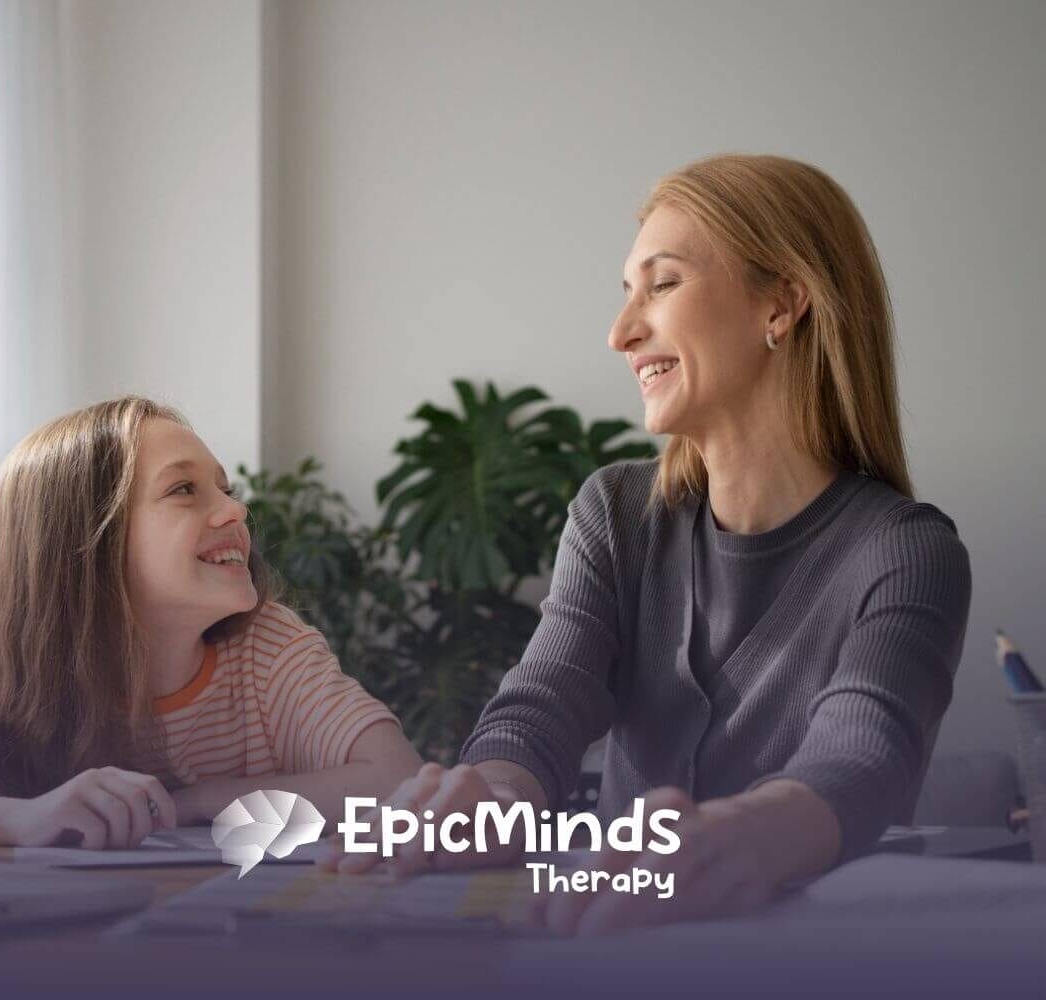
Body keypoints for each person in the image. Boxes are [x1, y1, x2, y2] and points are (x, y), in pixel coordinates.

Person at [319, 153, 972, 936]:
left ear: (782, 303)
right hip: (601, 945)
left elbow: (866, 758)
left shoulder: (904, 553)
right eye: (627, 293)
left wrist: (748, 839)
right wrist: (489, 795)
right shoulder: (616, 512)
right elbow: (541, 707)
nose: (622, 332)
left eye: (661, 285)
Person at [0, 396, 421, 849]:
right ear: (79, 545)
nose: (236, 509)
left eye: (225, 487)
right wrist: (18, 819)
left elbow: (399, 783)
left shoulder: (269, 651)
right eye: (183, 490)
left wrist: (195, 802)